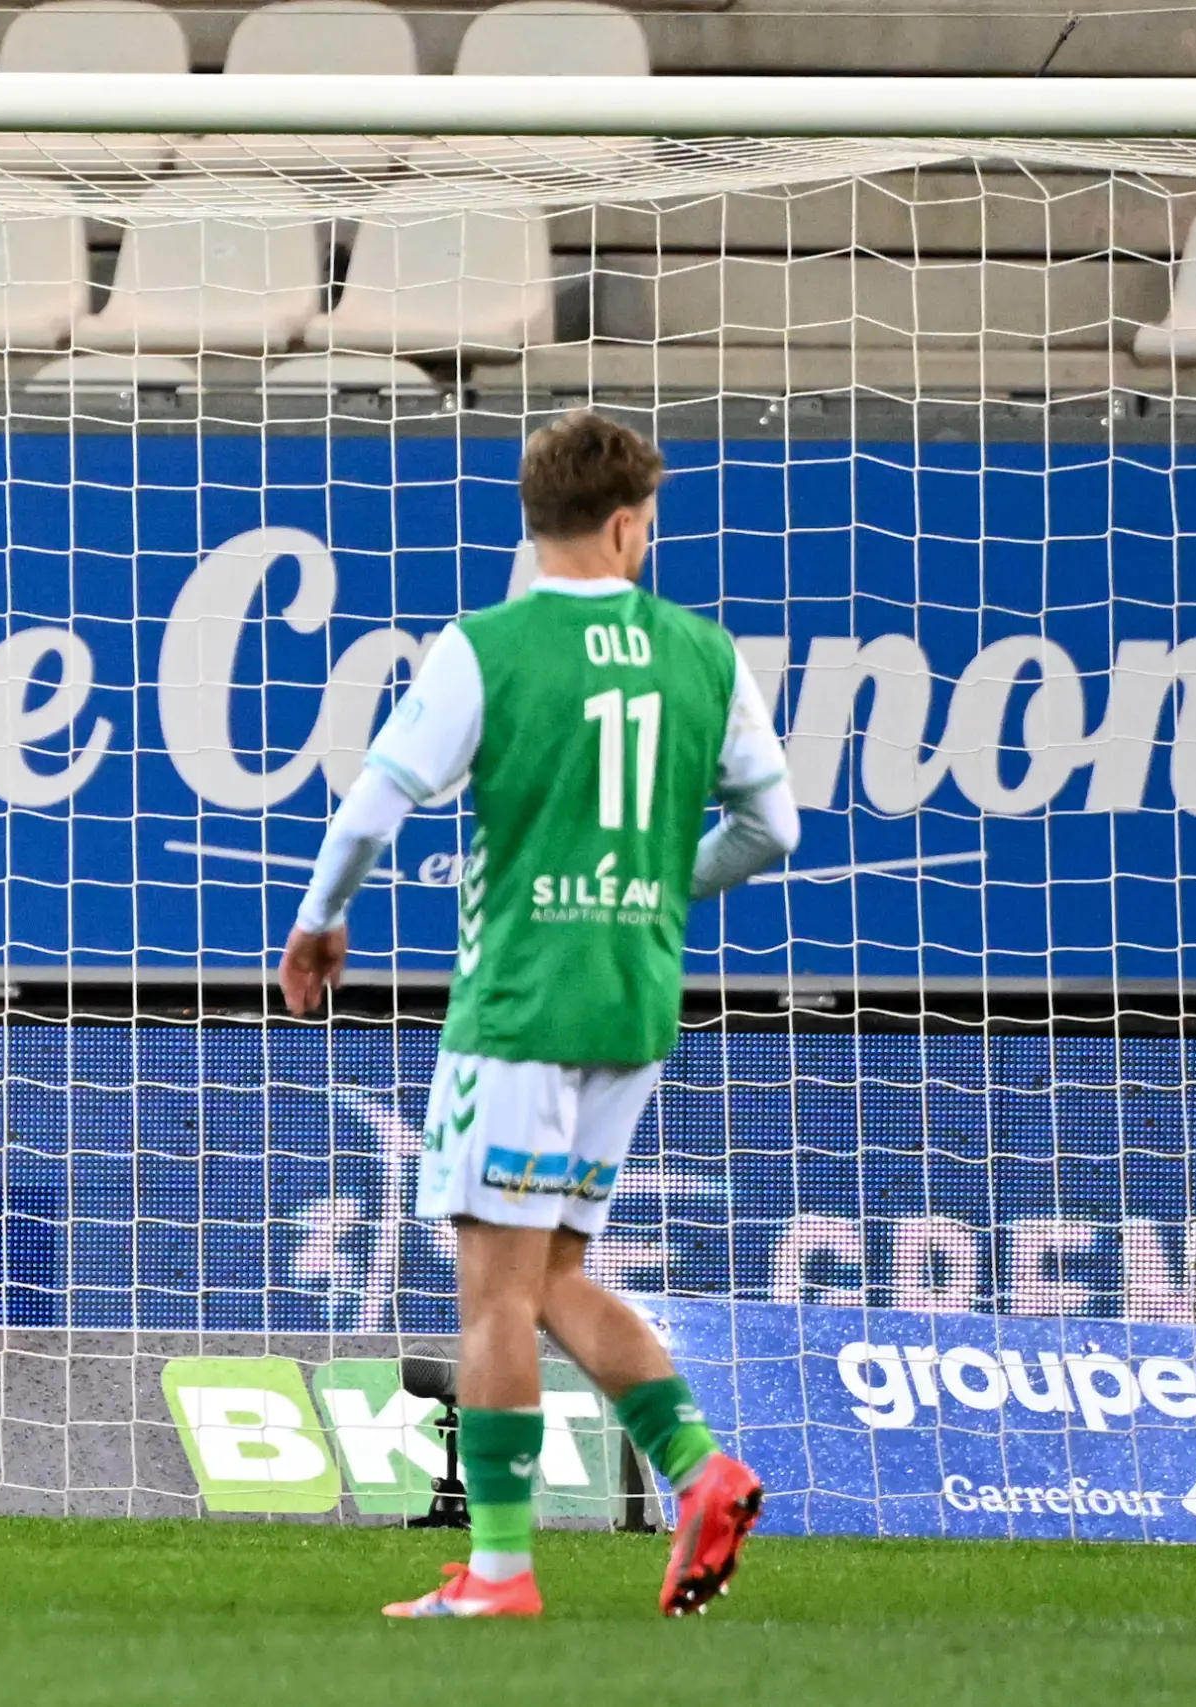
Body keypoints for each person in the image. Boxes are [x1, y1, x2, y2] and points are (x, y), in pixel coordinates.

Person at [279, 409, 801, 1617]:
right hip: (632, 1003)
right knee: (556, 1269)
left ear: (538, 524)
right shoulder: (705, 654)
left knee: (493, 1291)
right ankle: (700, 1468)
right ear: (627, 527)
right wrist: (661, 880)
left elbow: (369, 810)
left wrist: (319, 921)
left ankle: (502, 1573)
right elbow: (773, 831)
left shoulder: (485, 648)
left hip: (517, 1005)